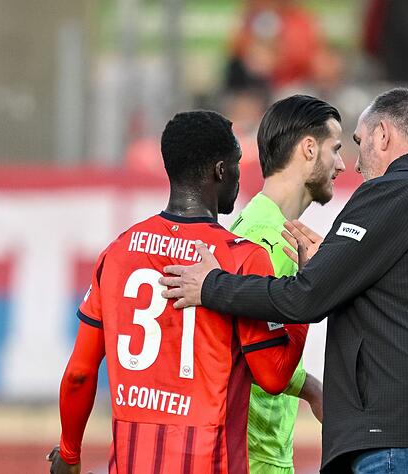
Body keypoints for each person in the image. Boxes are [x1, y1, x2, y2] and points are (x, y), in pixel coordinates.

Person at [160, 89, 408, 473]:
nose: (351, 165)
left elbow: (305, 300)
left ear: (383, 135)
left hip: (398, 433)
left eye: (355, 143)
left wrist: (210, 286)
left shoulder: (396, 190)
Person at [47, 111, 308, 474]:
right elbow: (274, 376)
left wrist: (69, 452)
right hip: (212, 463)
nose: (238, 175)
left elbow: (79, 372)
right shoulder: (244, 257)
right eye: (235, 165)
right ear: (220, 170)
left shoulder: (118, 252)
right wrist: (302, 293)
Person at [232, 94, 344, 474]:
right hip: (257, 456)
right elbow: (264, 359)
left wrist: (311, 389)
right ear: (309, 149)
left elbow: (250, 341)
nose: (341, 165)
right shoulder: (270, 241)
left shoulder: (250, 228)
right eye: (336, 149)